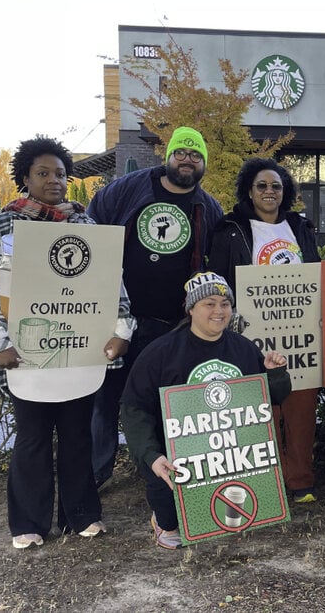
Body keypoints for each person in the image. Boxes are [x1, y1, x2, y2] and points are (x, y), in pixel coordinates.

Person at [0, 136, 135, 549]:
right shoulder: (3, 226)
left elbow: (112, 285)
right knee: (32, 440)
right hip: (25, 356)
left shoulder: (86, 226)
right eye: (43, 173)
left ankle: (82, 516)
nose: (54, 180)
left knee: (79, 437)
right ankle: (29, 522)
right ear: (26, 178)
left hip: (80, 352)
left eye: (60, 173)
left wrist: (120, 331)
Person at [86, 126, 224, 490]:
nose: (187, 160)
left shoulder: (208, 207)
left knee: (170, 402)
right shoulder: (128, 188)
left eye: (195, 155)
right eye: (181, 152)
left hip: (173, 324)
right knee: (105, 398)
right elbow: (91, 227)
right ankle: (96, 472)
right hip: (120, 320)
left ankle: (165, 471)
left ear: (203, 164)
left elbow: (218, 259)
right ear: (168, 155)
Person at [121, 271, 291, 549]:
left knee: (230, 523)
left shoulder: (244, 348)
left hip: (231, 454)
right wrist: (151, 456)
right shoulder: (160, 353)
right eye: (209, 303)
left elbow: (275, 398)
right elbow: (133, 408)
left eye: (225, 304)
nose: (219, 311)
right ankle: (162, 518)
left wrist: (275, 374)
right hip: (178, 459)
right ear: (191, 309)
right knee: (176, 527)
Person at [207, 158, 321, 503]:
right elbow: (221, 280)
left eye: (276, 186)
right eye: (262, 186)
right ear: (249, 190)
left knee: (301, 407)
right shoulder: (230, 228)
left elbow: (316, 273)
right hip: (251, 333)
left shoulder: (299, 227)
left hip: (301, 332)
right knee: (259, 407)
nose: (269, 191)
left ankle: (300, 480)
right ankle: (263, 482)